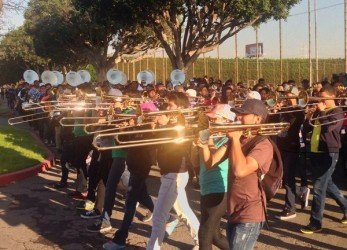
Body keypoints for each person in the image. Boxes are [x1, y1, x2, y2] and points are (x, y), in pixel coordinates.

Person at [147, 92, 200, 250]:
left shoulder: (183, 123)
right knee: (183, 211)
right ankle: (201, 240)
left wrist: (163, 126)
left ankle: (153, 247)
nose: (166, 107)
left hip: (175, 173)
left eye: (170, 105)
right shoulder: (171, 121)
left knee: (158, 216)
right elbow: (159, 144)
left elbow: (179, 145)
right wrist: (155, 128)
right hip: (169, 172)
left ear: (181, 107)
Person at [226, 99, 273, 249]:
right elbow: (209, 163)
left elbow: (240, 170)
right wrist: (202, 145)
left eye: (243, 114)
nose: (238, 118)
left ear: (258, 119)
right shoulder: (240, 139)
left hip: (250, 212)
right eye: (238, 114)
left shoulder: (264, 145)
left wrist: (234, 140)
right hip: (234, 209)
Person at [301, 85, 347, 234]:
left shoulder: (338, 112)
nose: (320, 100)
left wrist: (320, 111)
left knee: (319, 187)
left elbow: (329, 128)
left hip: (329, 152)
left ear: (330, 97)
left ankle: (316, 222)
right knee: (328, 185)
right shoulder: (320, 112)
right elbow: (308, 129)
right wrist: (308, 117)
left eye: (322, 97)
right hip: (316, 151)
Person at [195, 104, 236, 250]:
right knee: (215, 236)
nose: (210, 122)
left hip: (220, 188)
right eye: (210, 119)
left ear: (226, 121)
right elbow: (197, 163)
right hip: (206, 187)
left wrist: (206, 141)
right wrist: (194, 146)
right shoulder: (212, 135)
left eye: (215, 119)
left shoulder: (229, 140)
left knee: (204, 233)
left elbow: (211, 163)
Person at [275, 87, 310, 220]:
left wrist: (285, 109)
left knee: (289, 177)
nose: (286, 97)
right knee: (285, 178)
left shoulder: (299, 110)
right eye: (285, 95)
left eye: (289, 95)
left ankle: (290, 208)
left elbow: (294, 124)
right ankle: (301, 191)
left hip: (292, 146)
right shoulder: (284, 109)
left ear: (296, 96)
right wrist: (276, 110)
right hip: (282, 145)